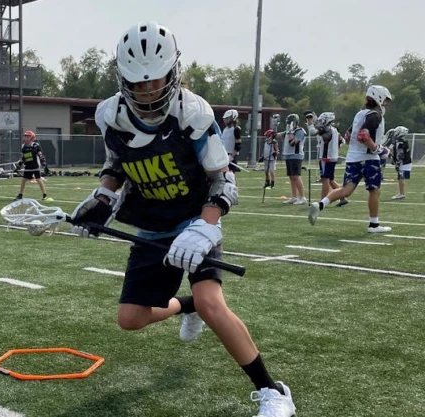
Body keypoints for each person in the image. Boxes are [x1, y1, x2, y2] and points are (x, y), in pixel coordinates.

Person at [69, 21, 295, 417]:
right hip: (152, 227)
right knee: (130, 319)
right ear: (123, 80)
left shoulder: (193, 112)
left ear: (173, 73)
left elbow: (222, 180)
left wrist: (206, 226)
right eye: (138, 84)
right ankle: (185, 306)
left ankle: (273, 391)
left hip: (194, 222)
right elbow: (116, 165)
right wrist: (103, 197)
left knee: (213, 303)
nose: (148, 91)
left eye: (155, 81)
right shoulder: (111, 115)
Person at [308, 85, 393, 232]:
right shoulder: (375, 115)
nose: (385, 103)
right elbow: (363, 136)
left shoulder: (359, 114)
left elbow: (348, 136)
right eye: (384, 100)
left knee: (346, 190)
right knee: (375, 190)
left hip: (353, 158)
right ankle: (374, 225)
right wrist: (378, 149)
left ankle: (320, 204)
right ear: (378, 97)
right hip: (368, 158)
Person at [307, 112, 348, 205]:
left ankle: (322, 201)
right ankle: (342, 198)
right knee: (330, 180)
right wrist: (335, 148)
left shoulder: (327, 130)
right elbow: (342, 141)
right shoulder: (334, 130)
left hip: (326, 158)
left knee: (325, 180)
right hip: (332, 157)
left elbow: (313, 131)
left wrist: (309, 120)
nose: (320, 122)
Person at [15, 130, 52, 201]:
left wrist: (43, 163)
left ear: (31, 137)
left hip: (35, 165)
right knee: (23, 180)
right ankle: (20, 194)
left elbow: (40, 155)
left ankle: (44, 194)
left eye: (27, 136)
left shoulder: (35, 145)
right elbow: (23, 157)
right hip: (28, 166)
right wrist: (19, 165)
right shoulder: (23, 146)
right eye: (25, 136)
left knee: (38, 179)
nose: (25, 138)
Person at [280, 114, 306, 205]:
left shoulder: (300, 131)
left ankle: (302, 197)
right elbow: (280, 135)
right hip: (288, 155)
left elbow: (292, 143)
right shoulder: (288, 131)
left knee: (296, 176)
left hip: (296, 155)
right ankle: (294, 197)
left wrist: (290, 131)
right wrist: (272, 133)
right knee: (291, 177)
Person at [387, 126, 411, 200]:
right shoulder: (402, 141)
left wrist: (398, 162)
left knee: (401, 177)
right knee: (401, 177)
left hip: (403, 162)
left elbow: (400, 154)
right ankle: (401, 193)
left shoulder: (400, 143)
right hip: (405, 162)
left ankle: (402, 194)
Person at [221, 109, 242, 174]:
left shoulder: (236, 129)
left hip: (231, 156)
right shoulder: (225, 129)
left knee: (230, 177)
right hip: (224, 155)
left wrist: (231, 157)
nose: (225, 120)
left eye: (227, 118)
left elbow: (238, 146)